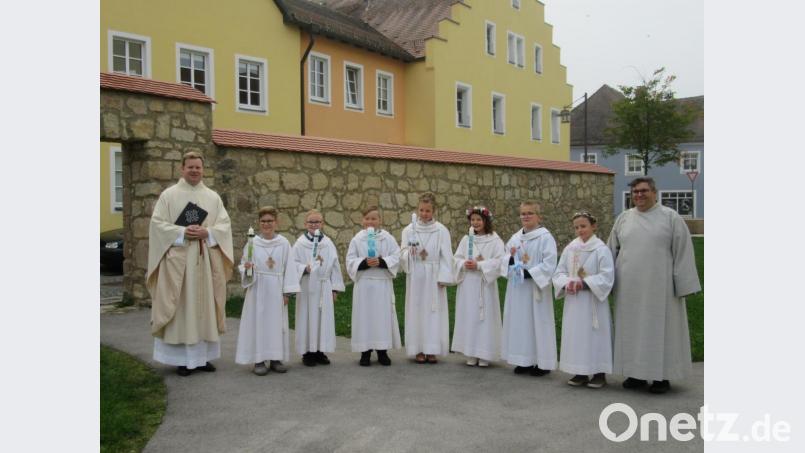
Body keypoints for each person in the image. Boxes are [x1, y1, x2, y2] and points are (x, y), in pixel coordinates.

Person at [607, 177, 701, 394]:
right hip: (629, 287)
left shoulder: (670, 217)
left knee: (662, 332)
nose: (639, 195)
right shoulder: (623, 219)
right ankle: (635, 374)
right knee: (631, 330)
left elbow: (683, 251)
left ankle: (662, 377)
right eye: (635, 192)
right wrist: (606, 281)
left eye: (644, 191)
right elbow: (611, 250)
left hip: (661, 287)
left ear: (654, 193)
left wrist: (683, 284)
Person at [147, 151, 234, 376]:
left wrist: (208, 232)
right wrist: (181, 232)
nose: (194, 171)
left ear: (203, 170)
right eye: (190, 167)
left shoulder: (213, 197)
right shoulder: (169, 195)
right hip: (179, 264)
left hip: (205, 262)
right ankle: (183, 361)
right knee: (182, 309)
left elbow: (224, 226)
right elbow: (157, 224)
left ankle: (202, 358)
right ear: (182, 169)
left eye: (198, 167)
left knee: (204, 309)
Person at [235, 207, 300, 375]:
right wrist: (247, 268)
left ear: (276, 223)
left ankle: (276, 359)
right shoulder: (252, 243)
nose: (266, 224)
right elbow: (243, 265)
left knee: (276, 325)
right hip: (258, 288)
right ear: (259, 223)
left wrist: (287, 292)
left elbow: (290, 268)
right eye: (263, 221)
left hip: (277, 288)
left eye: (270, 221)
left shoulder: (283, 243)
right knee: (258, 324)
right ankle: (259, 360)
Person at [553, 211, 614, 388]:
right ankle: (580, 372)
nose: (580, 230)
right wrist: (567, 283)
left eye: (583, 226)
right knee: (577, 335)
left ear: (593, 226)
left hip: (593, 302)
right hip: (574, 302)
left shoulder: (601, 249)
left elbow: (607, 276)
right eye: (576, 227)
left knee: (595, 335)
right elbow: (559, 272)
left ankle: (599, 373)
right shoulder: (570, 248)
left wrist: (584, 283)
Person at [500, 200, 558, 377]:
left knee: (538, 324)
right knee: (520, 323)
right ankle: (523, 360)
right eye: (523, 213)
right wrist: (510, 260)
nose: (525, 216)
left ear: (538, 216)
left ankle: (542, 363)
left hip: (535, 288)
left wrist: (530, 273)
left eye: (530, 213)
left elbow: (549, 263)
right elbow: (504, 257)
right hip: (518, 289)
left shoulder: (545, 237)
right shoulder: (516, 238)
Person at [400, 193, 454, 364]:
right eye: (421, 210)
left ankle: (432, 349)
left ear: (434, 211)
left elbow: (447, 256)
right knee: (416, 311)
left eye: (428, 211)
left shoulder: (441, 230)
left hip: (433, 276)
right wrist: (409, 253)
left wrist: (444, 277)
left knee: (433, 312)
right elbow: (402, 253)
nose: (424, 214)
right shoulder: (409, 230)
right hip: (416, 274)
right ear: (418, 210)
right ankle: (418, 349)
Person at [346, 206, 402, 366]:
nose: (370, 221)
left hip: (382, 284)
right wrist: (364, 263)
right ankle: (365, 352)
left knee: (382, 318)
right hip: (364, 284)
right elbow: (350, 260)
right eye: (367, 218)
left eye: (374, 219)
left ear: (380, 220)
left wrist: (382, 261)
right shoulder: (357, 239)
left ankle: (382, 351)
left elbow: (396, 256)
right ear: (362, 221)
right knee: (365, 318)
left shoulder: (387, 238)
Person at [451, 206, 505, 367]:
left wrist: (480, 265)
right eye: (473, 219)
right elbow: (456, 259)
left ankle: (484, 354)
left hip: (484, 285)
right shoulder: (466, 240)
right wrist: (463, 263)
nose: (475, 222)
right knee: (469, 316)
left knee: (485, 319)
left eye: (479, 219)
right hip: (468, 284)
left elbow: (500, 261)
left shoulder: (495, 240)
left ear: (486, 221)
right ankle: (471, 352)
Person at [291, 209, 345, 367]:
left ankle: (320, 351)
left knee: (323, 319)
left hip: (323, 285)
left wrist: (334, 289)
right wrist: (304, 268)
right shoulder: (300, 244)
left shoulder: (328, 243)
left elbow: (335, 266)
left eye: (317, 222)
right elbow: (292, 264)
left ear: (322, 224)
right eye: (311, 222)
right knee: (307, 318)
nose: (314, 225)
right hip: (307, 286)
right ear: (305, 224)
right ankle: (308, 353)